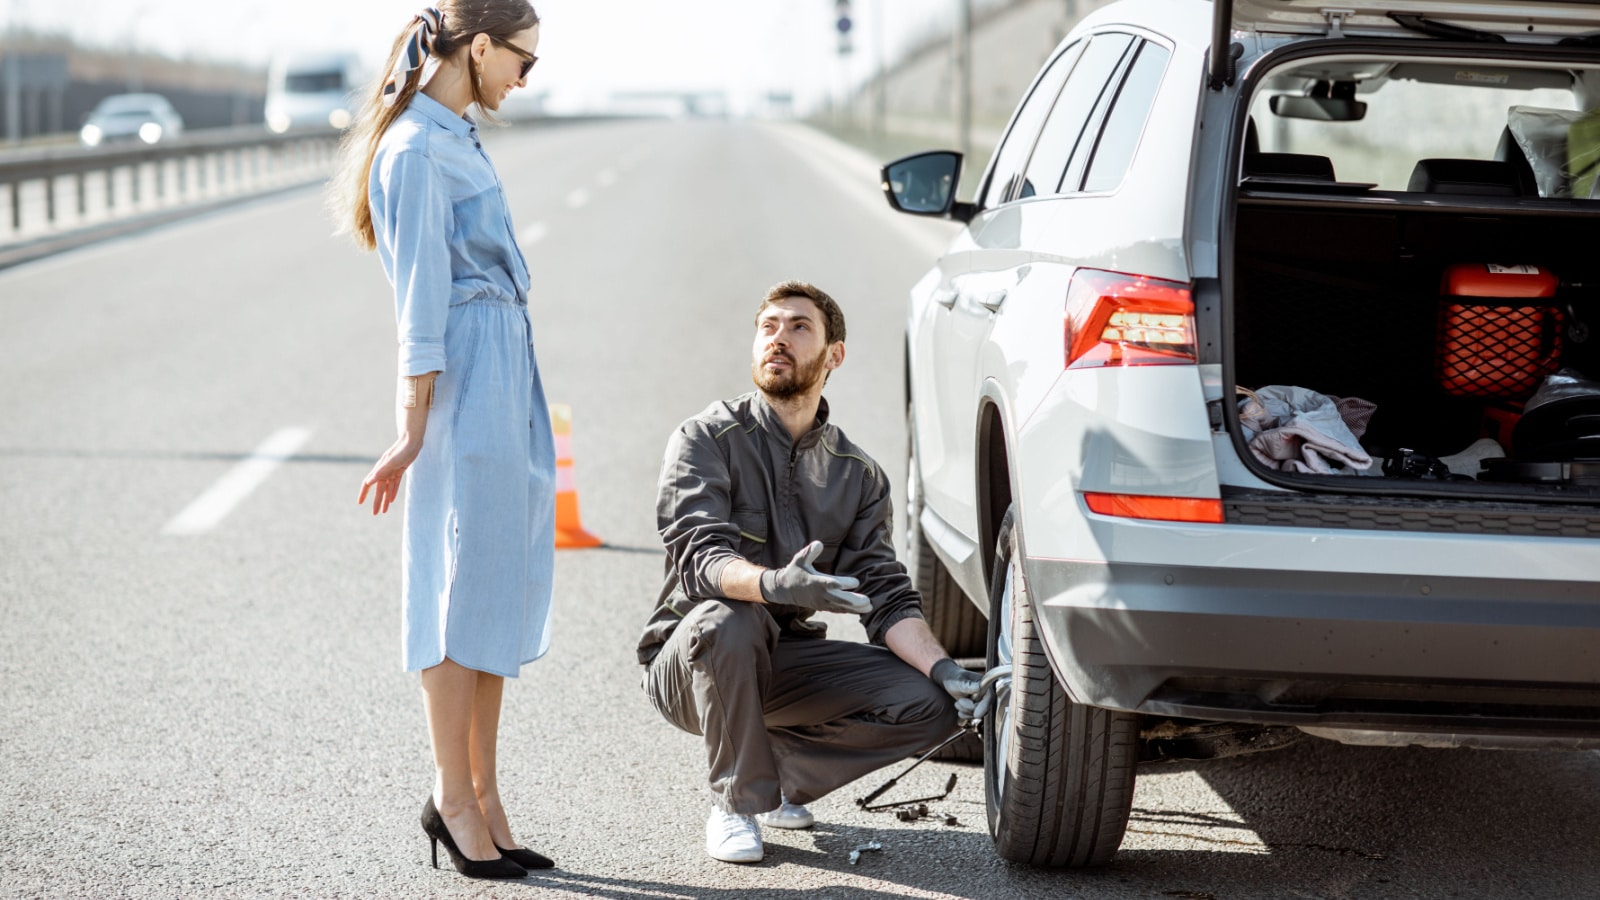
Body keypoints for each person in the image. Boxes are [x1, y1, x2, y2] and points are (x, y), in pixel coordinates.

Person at [639, 280, 987, 864]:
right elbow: (701, 560)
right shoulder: (705, 438)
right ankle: (736, 804)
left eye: (799, 327)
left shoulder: (858, 475)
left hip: (785, 660)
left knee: (932, 702)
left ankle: (772, 777)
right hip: (692, 659)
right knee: (732, 620)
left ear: (834, 355)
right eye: (769, 326)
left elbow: (886, 595)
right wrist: (774, 584)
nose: (779, 338)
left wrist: (946, 667)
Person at [332, 1, 553, 881]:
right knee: (455, 591)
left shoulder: (457, 133)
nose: (525, 79)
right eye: (522, 61)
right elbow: (419, 304)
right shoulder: (417, 149)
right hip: (462, 376)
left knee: (496, 589)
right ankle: (451, 798)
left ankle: (485, 795)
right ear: (479, 45)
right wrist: (410, 428)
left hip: (503, 368)